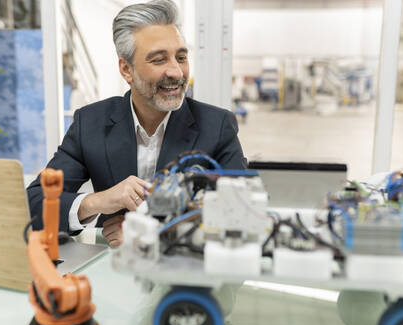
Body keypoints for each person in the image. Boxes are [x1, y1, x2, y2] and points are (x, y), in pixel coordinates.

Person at [27, 0, 246, 247]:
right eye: (159, 60)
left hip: (186, 272)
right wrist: (98, 201)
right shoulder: (90, 123)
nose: (176, 72)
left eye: (181, 57)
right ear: (126, 69)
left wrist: (154, 235)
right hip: (111, 269)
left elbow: (243, 215)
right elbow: (34, 204)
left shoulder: (217, 126)